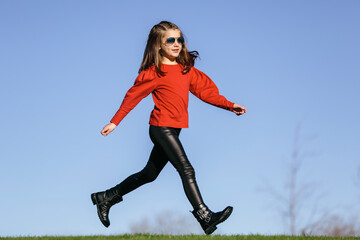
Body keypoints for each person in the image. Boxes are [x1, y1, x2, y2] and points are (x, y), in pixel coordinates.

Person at [91, 20, 247, 235]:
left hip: (174, 129)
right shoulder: (155, 72)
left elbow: (207, 91)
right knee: (186, 169)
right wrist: (115, 121)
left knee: (149, 174)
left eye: (180, 40)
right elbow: (132, 96)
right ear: (158, 45)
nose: (177, 44)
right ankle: (205, 215)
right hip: (160, 127)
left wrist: (229, 105)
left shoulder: (186, 71)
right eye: (171, 40)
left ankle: (106, 197)